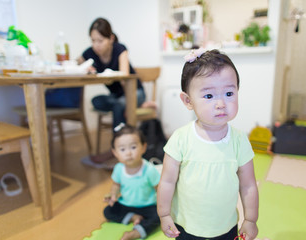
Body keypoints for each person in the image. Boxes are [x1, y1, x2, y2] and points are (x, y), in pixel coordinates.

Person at [157, 49, 259, 240]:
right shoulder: (180, 139)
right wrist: (164, 214)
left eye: (229, 93)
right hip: (185, 226)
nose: (221, 103)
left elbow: (248, 185)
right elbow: (167, 181)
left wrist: (251, 219)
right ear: (188, 101)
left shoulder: (239, 141)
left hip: (226, 226)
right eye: (209, 96)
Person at [78, 17, 146, 163]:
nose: (96, 45)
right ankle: (130, 108)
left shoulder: (120, 49)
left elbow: (124, 77)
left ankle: (114, 147)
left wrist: (129, 102)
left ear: (111, 38)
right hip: (115, 96)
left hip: (134, 92)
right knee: (96, 101)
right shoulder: (90, 53)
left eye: (100, 40)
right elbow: (76, 64)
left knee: (118, 105)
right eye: (93, 41)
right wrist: (85, 67)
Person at [104, 123, 161, 240]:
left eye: (133, 147)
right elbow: (116, 185)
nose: (128, 153)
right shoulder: (119, 168)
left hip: (148, 205)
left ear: (143, 147)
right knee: (108, 211)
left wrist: (164, 205)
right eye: (122, 149)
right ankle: (133, 217)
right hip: (126, 204)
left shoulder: (149, 170)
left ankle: (136, 233)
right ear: (115, 153)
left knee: (159, 216)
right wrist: (113, 195)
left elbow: (159, 188)